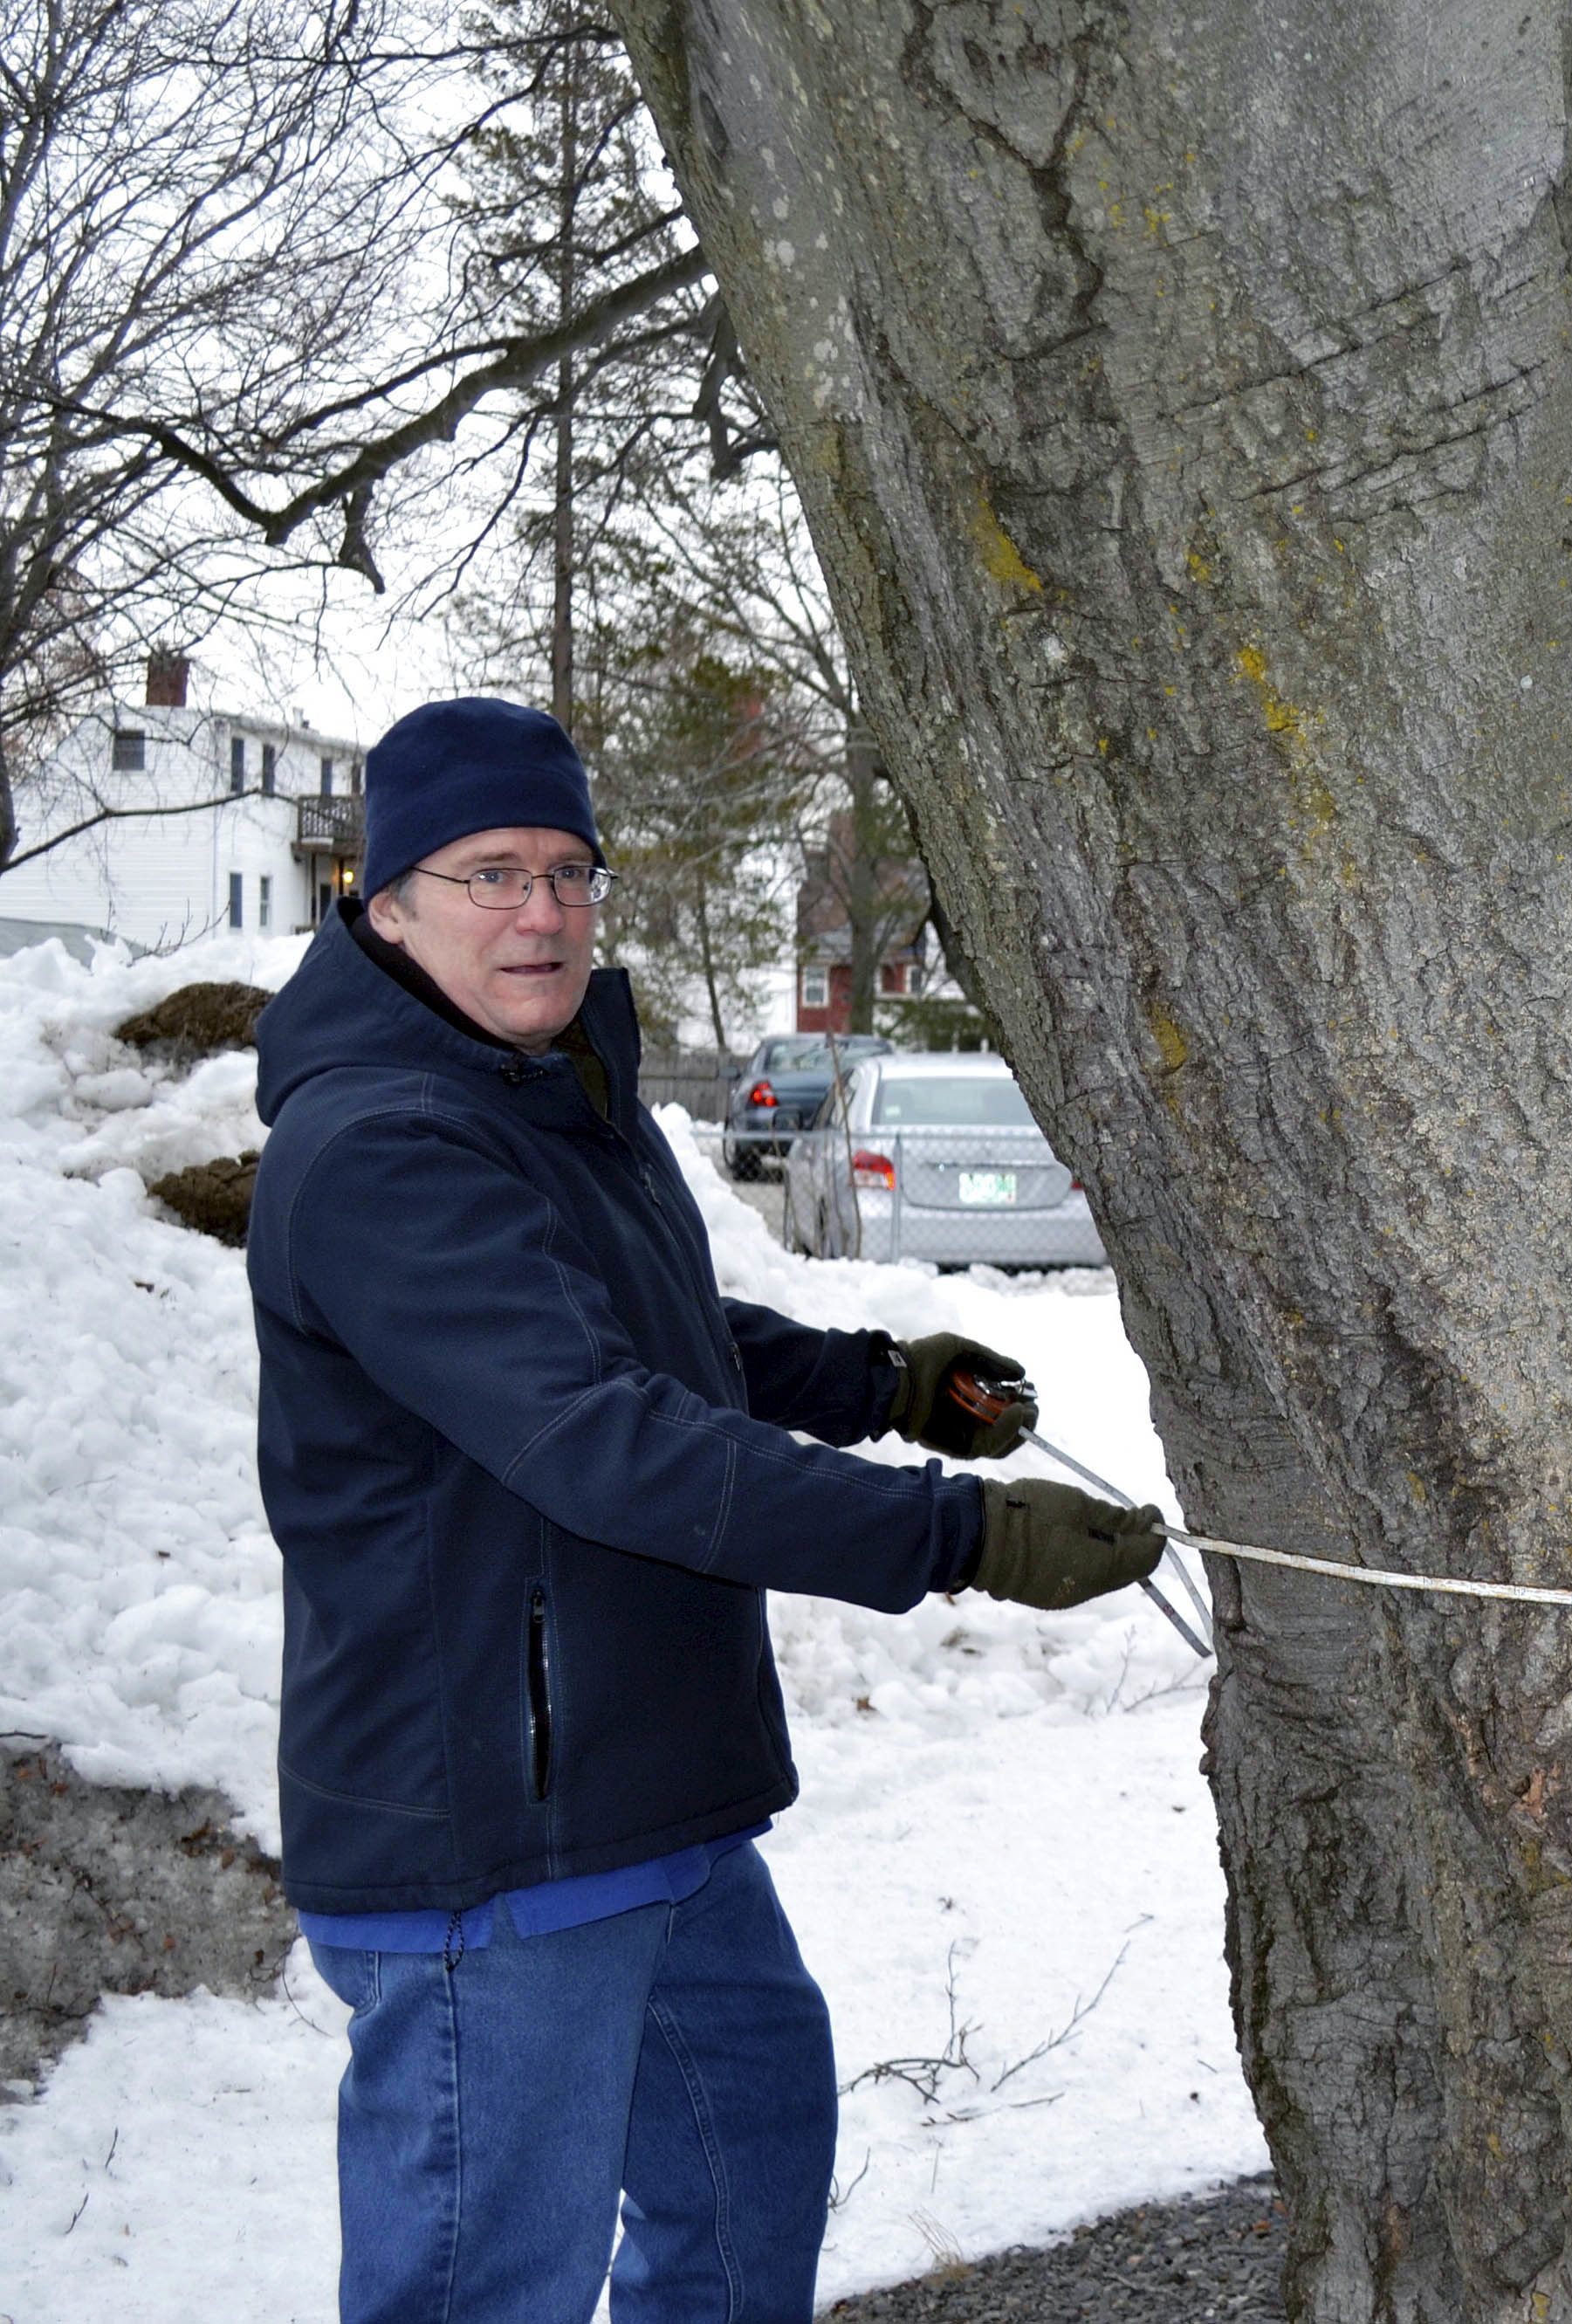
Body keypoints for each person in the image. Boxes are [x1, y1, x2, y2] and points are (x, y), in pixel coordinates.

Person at [245, 697, 1166, 2322]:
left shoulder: (544, 1090)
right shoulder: (383, 1144)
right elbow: (606, 1436)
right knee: (487, 2284)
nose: (541, 911)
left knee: (746, 2175)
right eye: (488, 873)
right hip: (494, 1832)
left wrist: (880, 1382)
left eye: (567, 871)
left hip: (643, 1796)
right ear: (383, 905)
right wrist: (956, 1536)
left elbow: (654, 1335)